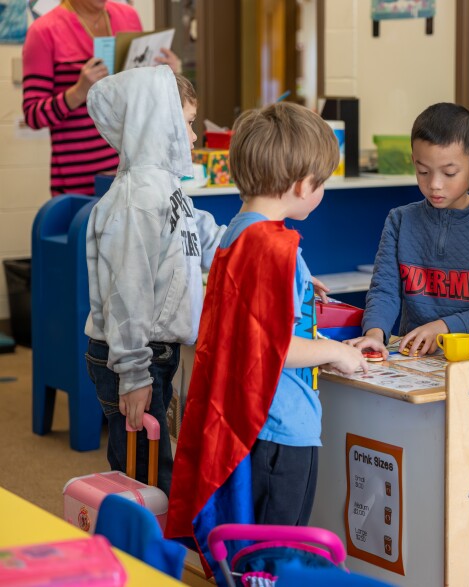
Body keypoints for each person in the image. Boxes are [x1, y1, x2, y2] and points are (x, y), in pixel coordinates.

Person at [165, 102, 369, 577]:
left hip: (253, 424)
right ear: (302, 185)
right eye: (321, 183)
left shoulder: (237, 232)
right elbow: (276, 348)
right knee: (279, 559)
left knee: (254, 552)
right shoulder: (274, 247)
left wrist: (298, 284)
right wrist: (340, 352)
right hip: (283, 426)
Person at [84, 66, 225, 498]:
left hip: (153, 353)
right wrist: (134, 375)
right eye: (186, 123)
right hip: (131, 356)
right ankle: (133, 559)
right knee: (142, 480)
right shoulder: (137, 199)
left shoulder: (167, 188)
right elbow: (127, 295)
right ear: (157, 121)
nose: (195, 136)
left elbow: (206, 236)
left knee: (158, 471)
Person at [348, 102, 469, 358]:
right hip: (416, 360)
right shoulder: (399, 221)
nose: (434, 184)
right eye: (423, 171)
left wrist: (443, 329)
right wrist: (375, 333)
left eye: (449, 173)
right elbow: (384, 289)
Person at [22, 0, 180, 196]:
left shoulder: (128, 16)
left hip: (134, 173)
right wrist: (79, 92)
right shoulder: (44, 30)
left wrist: (167, 75)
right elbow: (33, 115)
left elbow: (143, 96)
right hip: (78, 181)